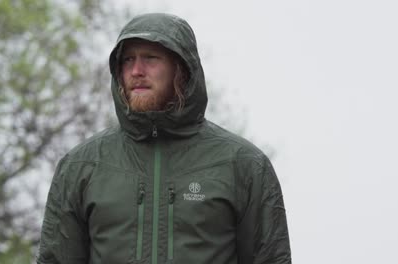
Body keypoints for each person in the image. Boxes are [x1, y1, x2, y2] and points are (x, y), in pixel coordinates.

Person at [37, 13, 291, 264]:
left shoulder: (244, 164)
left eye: (150, 58)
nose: (136, 70)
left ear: (181, 69)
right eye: (128, 60)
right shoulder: (81, 166)